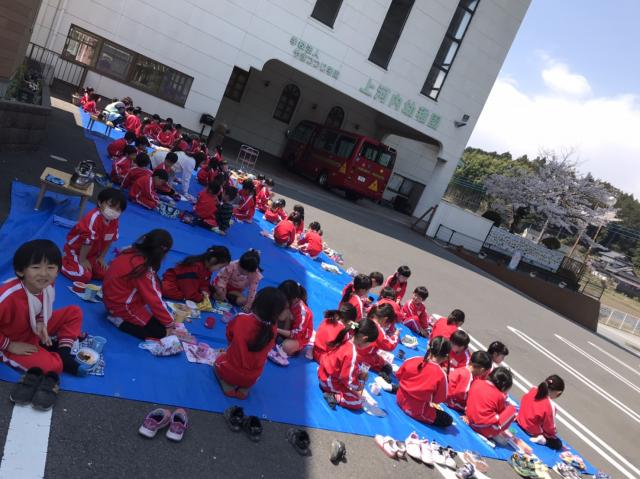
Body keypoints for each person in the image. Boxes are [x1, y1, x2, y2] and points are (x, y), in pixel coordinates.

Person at [0, 240, 85, 376]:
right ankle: (50, 350)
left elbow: (42, 306)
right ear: (20, 271)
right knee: (53, 367)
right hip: (12, 339)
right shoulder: (7, 296)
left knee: (74, 312)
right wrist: (9, 345)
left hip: (31, 329)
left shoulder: (46, 284)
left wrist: (40, 322)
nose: (44, 273)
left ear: (57, 271)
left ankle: (63, 352)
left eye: (50, 267)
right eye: (36, 267)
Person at [214, 287, 289, 399]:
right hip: (252, 378)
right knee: (251, 370)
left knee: (217, 362)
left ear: (256, 302)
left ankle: (227, 384)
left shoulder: (241, 319)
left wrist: (232, 349)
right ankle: (244, 388)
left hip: (230, 371)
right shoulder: (273, 329)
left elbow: (229, 336)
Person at [103, 229, 175, 339]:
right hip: (121, 306)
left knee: (159, 321)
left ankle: (117, 315)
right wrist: (170, 323)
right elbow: (154, 300)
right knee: (161, 333)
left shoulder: (130, 250)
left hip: (111, 297)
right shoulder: (143, 269)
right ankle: (120, 322)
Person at [61, 188, 127, 283]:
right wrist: (82, 260)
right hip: (76, 251)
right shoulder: (93, 218)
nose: (114, 211)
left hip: (92, 255)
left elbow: (110, 240)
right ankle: (61, 262)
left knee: (106, 273)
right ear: (100, 203)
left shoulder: (114, 221)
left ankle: (87, 269)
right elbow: (87, 242)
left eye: (118, 209)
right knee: (84, 277)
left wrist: (101, 257)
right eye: (111, 206)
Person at [318, 318, 379, 411]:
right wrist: (361, 383)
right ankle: (334, 397)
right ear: (365, 339)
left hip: (323, 373)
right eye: (369, 343)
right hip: (328, 382)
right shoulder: (351, 353)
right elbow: (348, 380)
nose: (369, 346)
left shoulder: (346, 339)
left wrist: (357, 374)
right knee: (358, 401)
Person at [395, 336, 453, 427]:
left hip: (399, 398)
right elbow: (438, 400)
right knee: (448, 420)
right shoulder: (441, 375)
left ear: (428, 348)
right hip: (416, 410)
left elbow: (399, 375)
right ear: (446, 357)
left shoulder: (414, 359)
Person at [162, 246, 231, 303]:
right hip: (171, 287)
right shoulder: (194, 267)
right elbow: (190, 294)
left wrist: (205, 292)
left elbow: (204, 284)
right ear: (213, 260)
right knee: (182, 295)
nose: (219, 270)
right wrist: (203, 298)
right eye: (220, 267)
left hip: (186, 287)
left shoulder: (207, 268)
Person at [466, 366, 517, 441]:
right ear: (504, 386)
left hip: (469, 420)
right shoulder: (500, 396)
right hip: (485, 430)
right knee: (512, 409)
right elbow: (501, 412)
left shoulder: (477, 382)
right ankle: (497, 431)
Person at [516, 375, 565, 450]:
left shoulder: (533, 389)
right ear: (557, 392)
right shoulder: (550, 405)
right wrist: (553, 433)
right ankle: (543, 441)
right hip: (530, 429)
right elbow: (549, 428)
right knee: (558, 444)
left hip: (520, 420)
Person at [270, 280, 314, 358]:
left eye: (285, 299)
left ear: (295, 299)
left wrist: (276, 330)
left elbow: (297, 334)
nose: (282, 300)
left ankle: (292, 348)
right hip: (287, 330)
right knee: (283, 313)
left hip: (299, 337)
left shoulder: (303, 312)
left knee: (286, 347)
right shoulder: (288, 303)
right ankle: (275, 336)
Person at [357, 304, 398, 380]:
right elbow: (390, 346)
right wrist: (396, 335)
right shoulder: (378, 330)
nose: (387, 326)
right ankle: (383, 375)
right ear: (385, 319)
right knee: (386, 365)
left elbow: (353, 326)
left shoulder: (365, 319)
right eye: (388, 324)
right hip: (364, 357)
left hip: (353, 350)